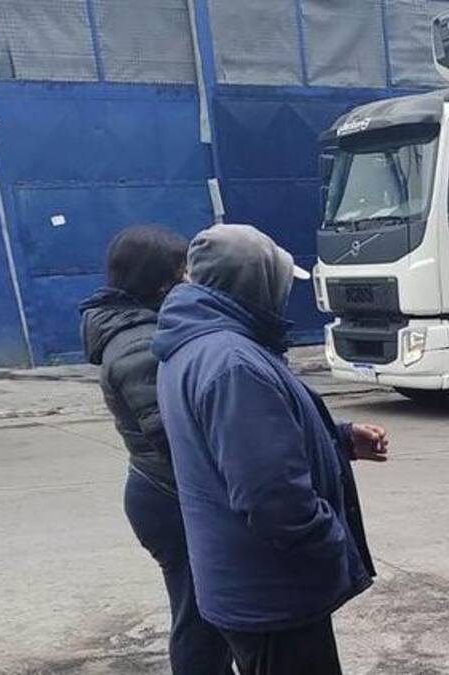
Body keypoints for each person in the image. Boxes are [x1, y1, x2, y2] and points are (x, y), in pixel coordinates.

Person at [152, 223, 387, 675]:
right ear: (254, 284)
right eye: (278, 284)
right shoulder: (234, 363)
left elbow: (238, 445)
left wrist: (337, 439)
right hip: (272, 594)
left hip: (247, 586)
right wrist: (330, 543)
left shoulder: (192, 345)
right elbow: (272, 497)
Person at [79, 226, 233, 675]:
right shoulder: (138, 341)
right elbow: (171, 438)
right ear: (157, 280)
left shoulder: (140, 328)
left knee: (202, 611)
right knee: (200, 618)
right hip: (168, 497)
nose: (188, 280)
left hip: (164, 491)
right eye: (180, 271)